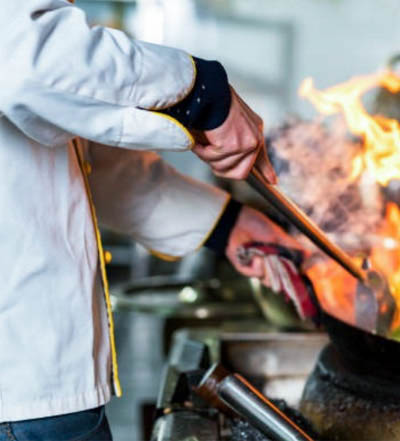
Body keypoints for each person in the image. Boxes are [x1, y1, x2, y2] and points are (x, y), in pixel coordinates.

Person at [0, 1, 301, 439]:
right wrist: (199, 90)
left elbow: (84, 162)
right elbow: (29, 59)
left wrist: (228, 224)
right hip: (21, 386)